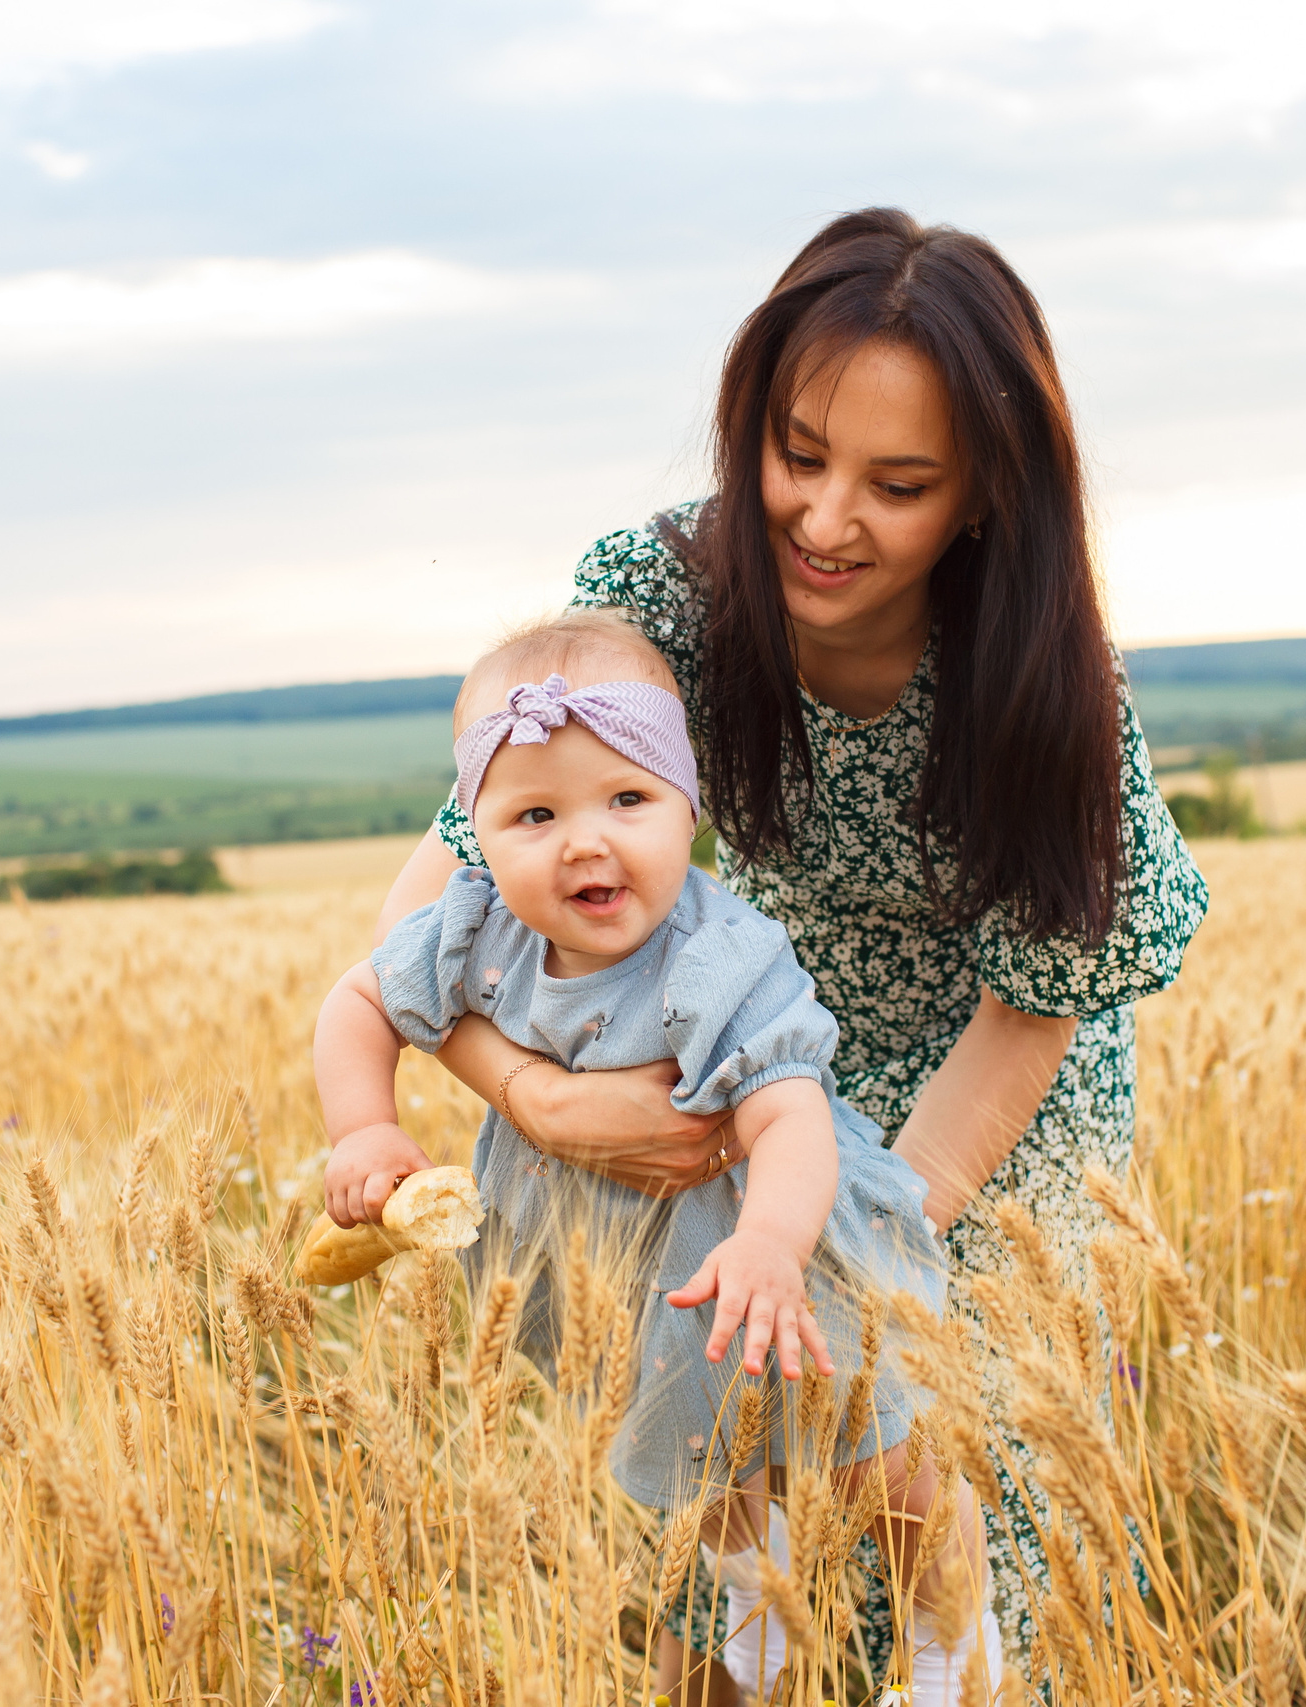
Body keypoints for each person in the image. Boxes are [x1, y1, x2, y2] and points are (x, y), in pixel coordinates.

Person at [374, 208, 1209, 1698]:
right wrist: (540, 1099)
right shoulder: (665, 599)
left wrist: (854, 1244)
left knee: (934, 1446)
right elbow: (428, 907)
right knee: (713, 1481)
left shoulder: (1046, 675)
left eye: (898, 484)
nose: (826, 520)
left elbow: (1037, 1011)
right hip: (749, 1036)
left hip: (987, 1094)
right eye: (798, 453)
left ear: (983, 496)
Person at [315, 611, 997, 1701]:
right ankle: (749, 1591)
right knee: (702, 1457)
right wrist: (365, 1126)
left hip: (772, 1248)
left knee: (879, 1455)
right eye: (534, 813)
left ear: (689, 811)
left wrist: (774, 1241)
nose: (586, 841)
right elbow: (358, 1001)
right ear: (475, 834)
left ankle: (950, 1637)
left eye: (628, 801)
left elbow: (790, 1117)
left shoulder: (720, 957)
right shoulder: (472, 926)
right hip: (625, 1272)